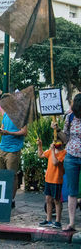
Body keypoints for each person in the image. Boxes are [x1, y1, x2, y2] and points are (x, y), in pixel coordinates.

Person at [52, 93, 81, 232]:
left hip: (73, 155)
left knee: (73, 190)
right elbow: (65, 138)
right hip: (71, 156)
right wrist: (57, 130)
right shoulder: (69, 117)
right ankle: (71, 222)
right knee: (72, 190)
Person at [0, 112, 27, 209]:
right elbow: (3, 128)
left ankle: (11, 199)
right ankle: (2, 197)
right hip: (2, 147)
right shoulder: (5, 114)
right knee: (1, 174)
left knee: (12, 175)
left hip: (13, 149)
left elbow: (24, 132)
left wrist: (9, 133)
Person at [37, 135, 66, 229]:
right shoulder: (50, 152)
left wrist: (53, 151)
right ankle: (48, 219)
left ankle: (58, 221)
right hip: (48, 179)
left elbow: (55, 162)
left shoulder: (63, 153)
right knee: (48, 200)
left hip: (57, 180)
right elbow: (40, 155)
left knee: (56, 201)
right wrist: (40, 145)